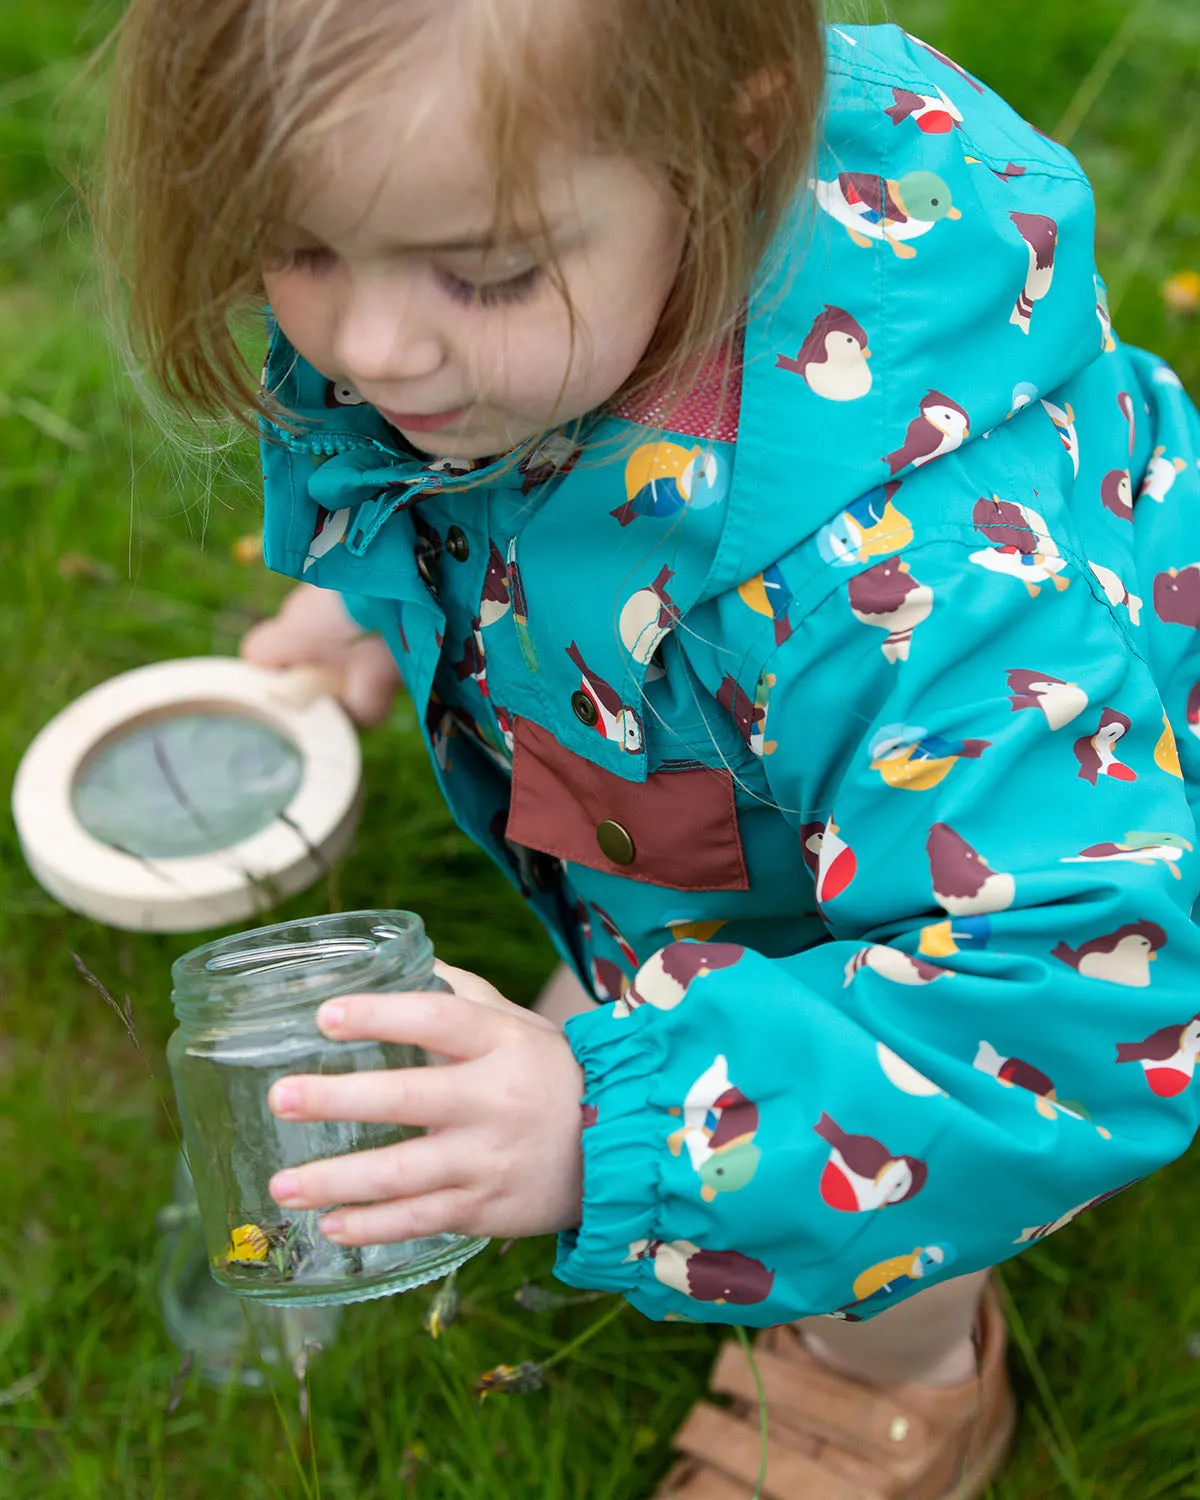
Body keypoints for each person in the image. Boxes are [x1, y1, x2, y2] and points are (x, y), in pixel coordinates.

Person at [101, 1, 1200, 1494]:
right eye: (298, 249)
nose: (364, 344)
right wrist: (388, 607)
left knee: (832, 1116)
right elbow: (545, 507)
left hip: (993, 871)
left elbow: (1069, 1004)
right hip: (752, 786)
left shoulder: (913, 583)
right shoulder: (560, 265)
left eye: (480, 270)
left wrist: (602, 1122)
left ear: (723, 143)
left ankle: (904, 1384)